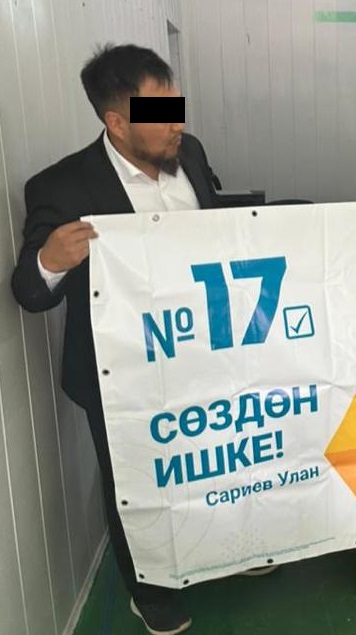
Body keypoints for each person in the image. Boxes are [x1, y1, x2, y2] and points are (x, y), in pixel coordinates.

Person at [10, 43, 269, 635]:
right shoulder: (61, 185)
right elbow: (29, 291)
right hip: (120, 371)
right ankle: (151, 592)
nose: (178, 124)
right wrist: (50, 260)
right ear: (116, 122)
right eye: (161, 114)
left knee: (227, 451)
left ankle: (239, 545)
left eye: (178, 107)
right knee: (136, 483)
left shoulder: (189, 153)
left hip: (207, 349)